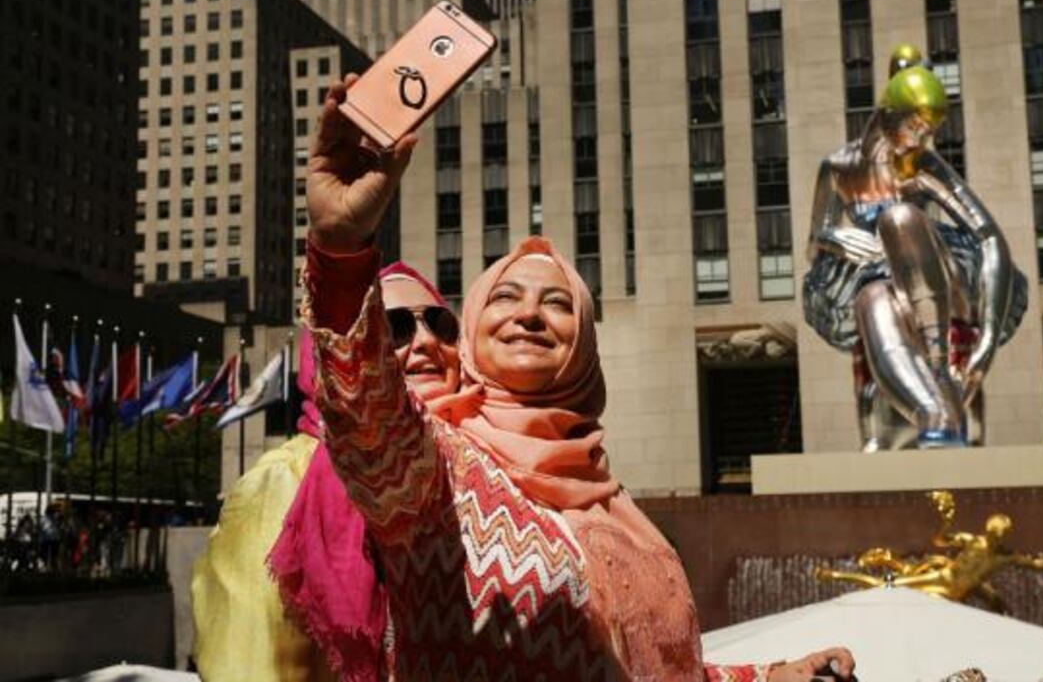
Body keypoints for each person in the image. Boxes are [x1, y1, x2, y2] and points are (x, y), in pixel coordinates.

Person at [303, 73, 855, 681]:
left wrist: (769, 677)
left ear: (584, 344)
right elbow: (366, 411)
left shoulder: (610, 498)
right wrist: (340, 248)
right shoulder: (432, 470)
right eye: (505, 298)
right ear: (473, 333)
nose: (529, 315)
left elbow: (648, 669)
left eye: (558, 303)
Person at [191, 263, 466, 682]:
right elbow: (251, 665)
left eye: (441, 325)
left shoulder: (481, 470)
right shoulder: (283, 483)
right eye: (393, 328)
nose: (427, 341)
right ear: (340, 358)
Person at [803, 60, 1026, 449]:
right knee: (872, 299)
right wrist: (833, 237)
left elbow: (990, 237)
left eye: (928, 131)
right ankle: (930, 411)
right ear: (888, 114)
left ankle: (939, 370)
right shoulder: (838, 168)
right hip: (878, 278)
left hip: (935, 271)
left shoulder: (922, 166)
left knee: (899, 219)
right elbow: (812, 246)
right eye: (916, 126)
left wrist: (989, 337)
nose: (920, 139)